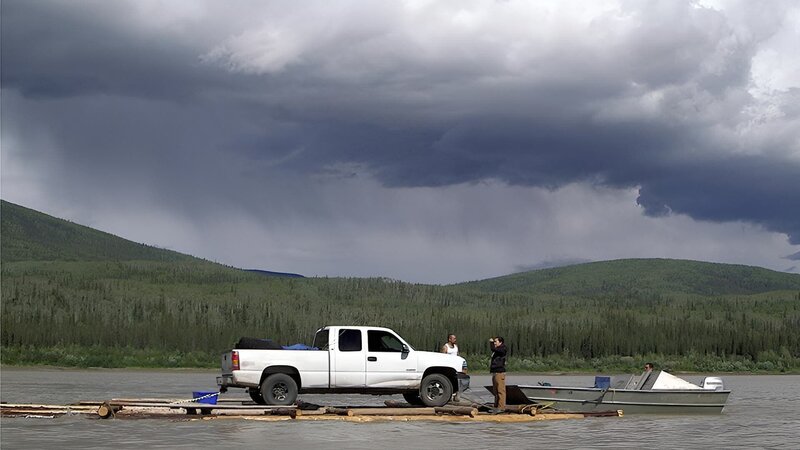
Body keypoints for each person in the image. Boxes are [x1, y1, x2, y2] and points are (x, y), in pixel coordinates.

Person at [489, 336, 507, 410]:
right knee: (495, 391)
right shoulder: (496, 350)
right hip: (495, 372)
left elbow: (493, 348)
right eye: (494, 342)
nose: (494, 343)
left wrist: (490, 343)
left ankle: (501, 407)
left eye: (495, 342)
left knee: (500, 390)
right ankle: (496, 406)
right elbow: (494, 349)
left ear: (500, 342)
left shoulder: (503, 349)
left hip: (500, 373)